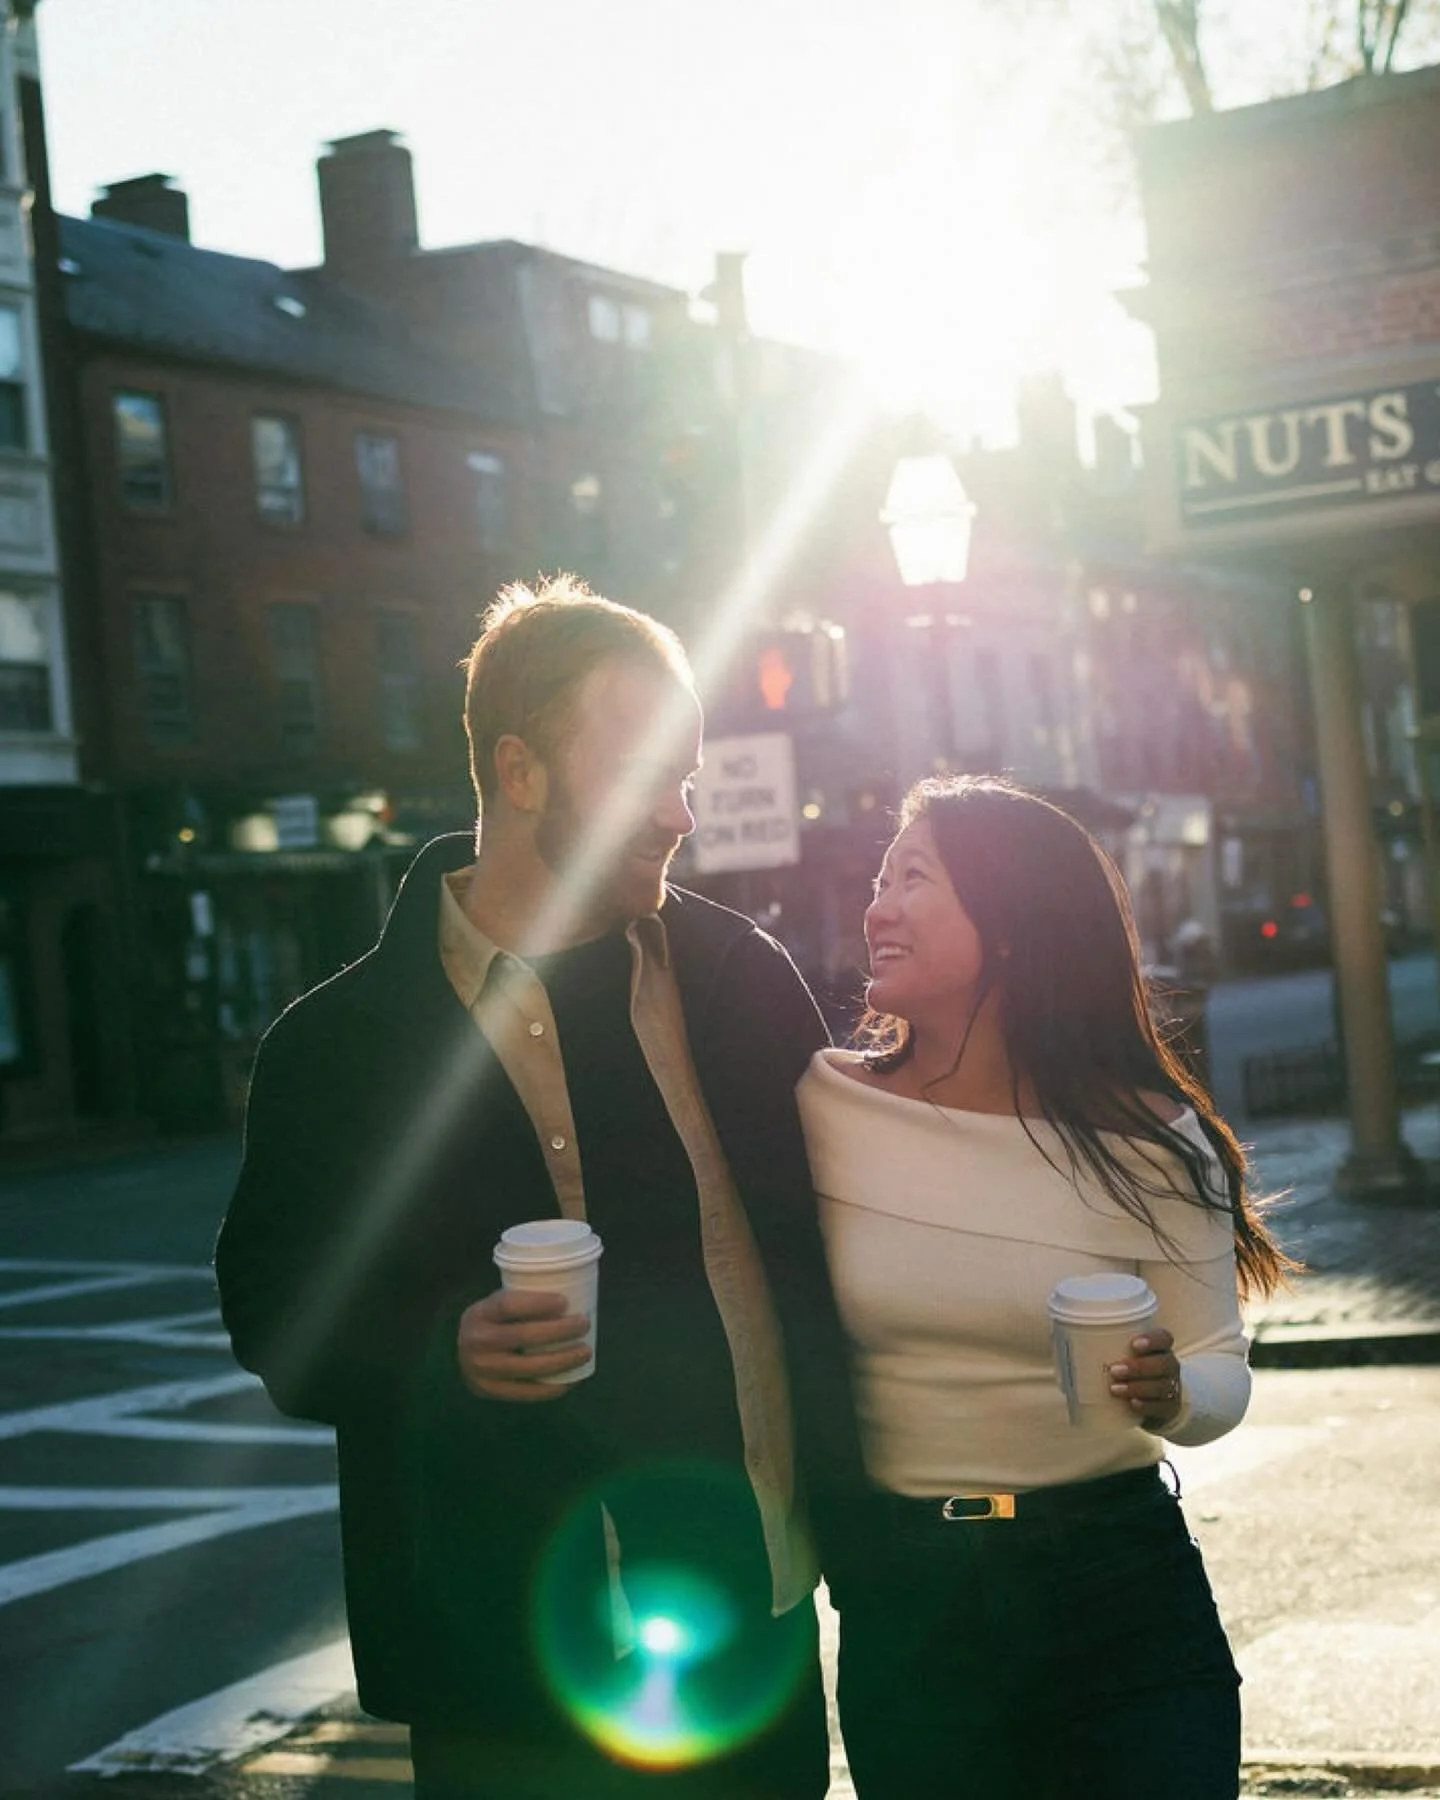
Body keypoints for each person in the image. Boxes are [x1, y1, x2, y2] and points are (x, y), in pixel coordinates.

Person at [215, 576, 865, 1800]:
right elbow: (275, 1317)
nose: (679, 814)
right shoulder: (338, 1046)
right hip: (499, 1670)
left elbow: (859, 1224)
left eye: (688, 777)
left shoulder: (739, 982)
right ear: (520, 774)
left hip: (750, 1644)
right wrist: (437, 1346)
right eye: (644, 777)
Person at [797, 775, 1293, 1800]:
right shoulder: (819, 1108)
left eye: (913, 879)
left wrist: (1173, 1394)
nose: (876, 908)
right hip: (913, 1600)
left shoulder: (1153, 1139)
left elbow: (1220, 1371)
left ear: (1013, 923)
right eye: (879, 881)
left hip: (1119, 1582)